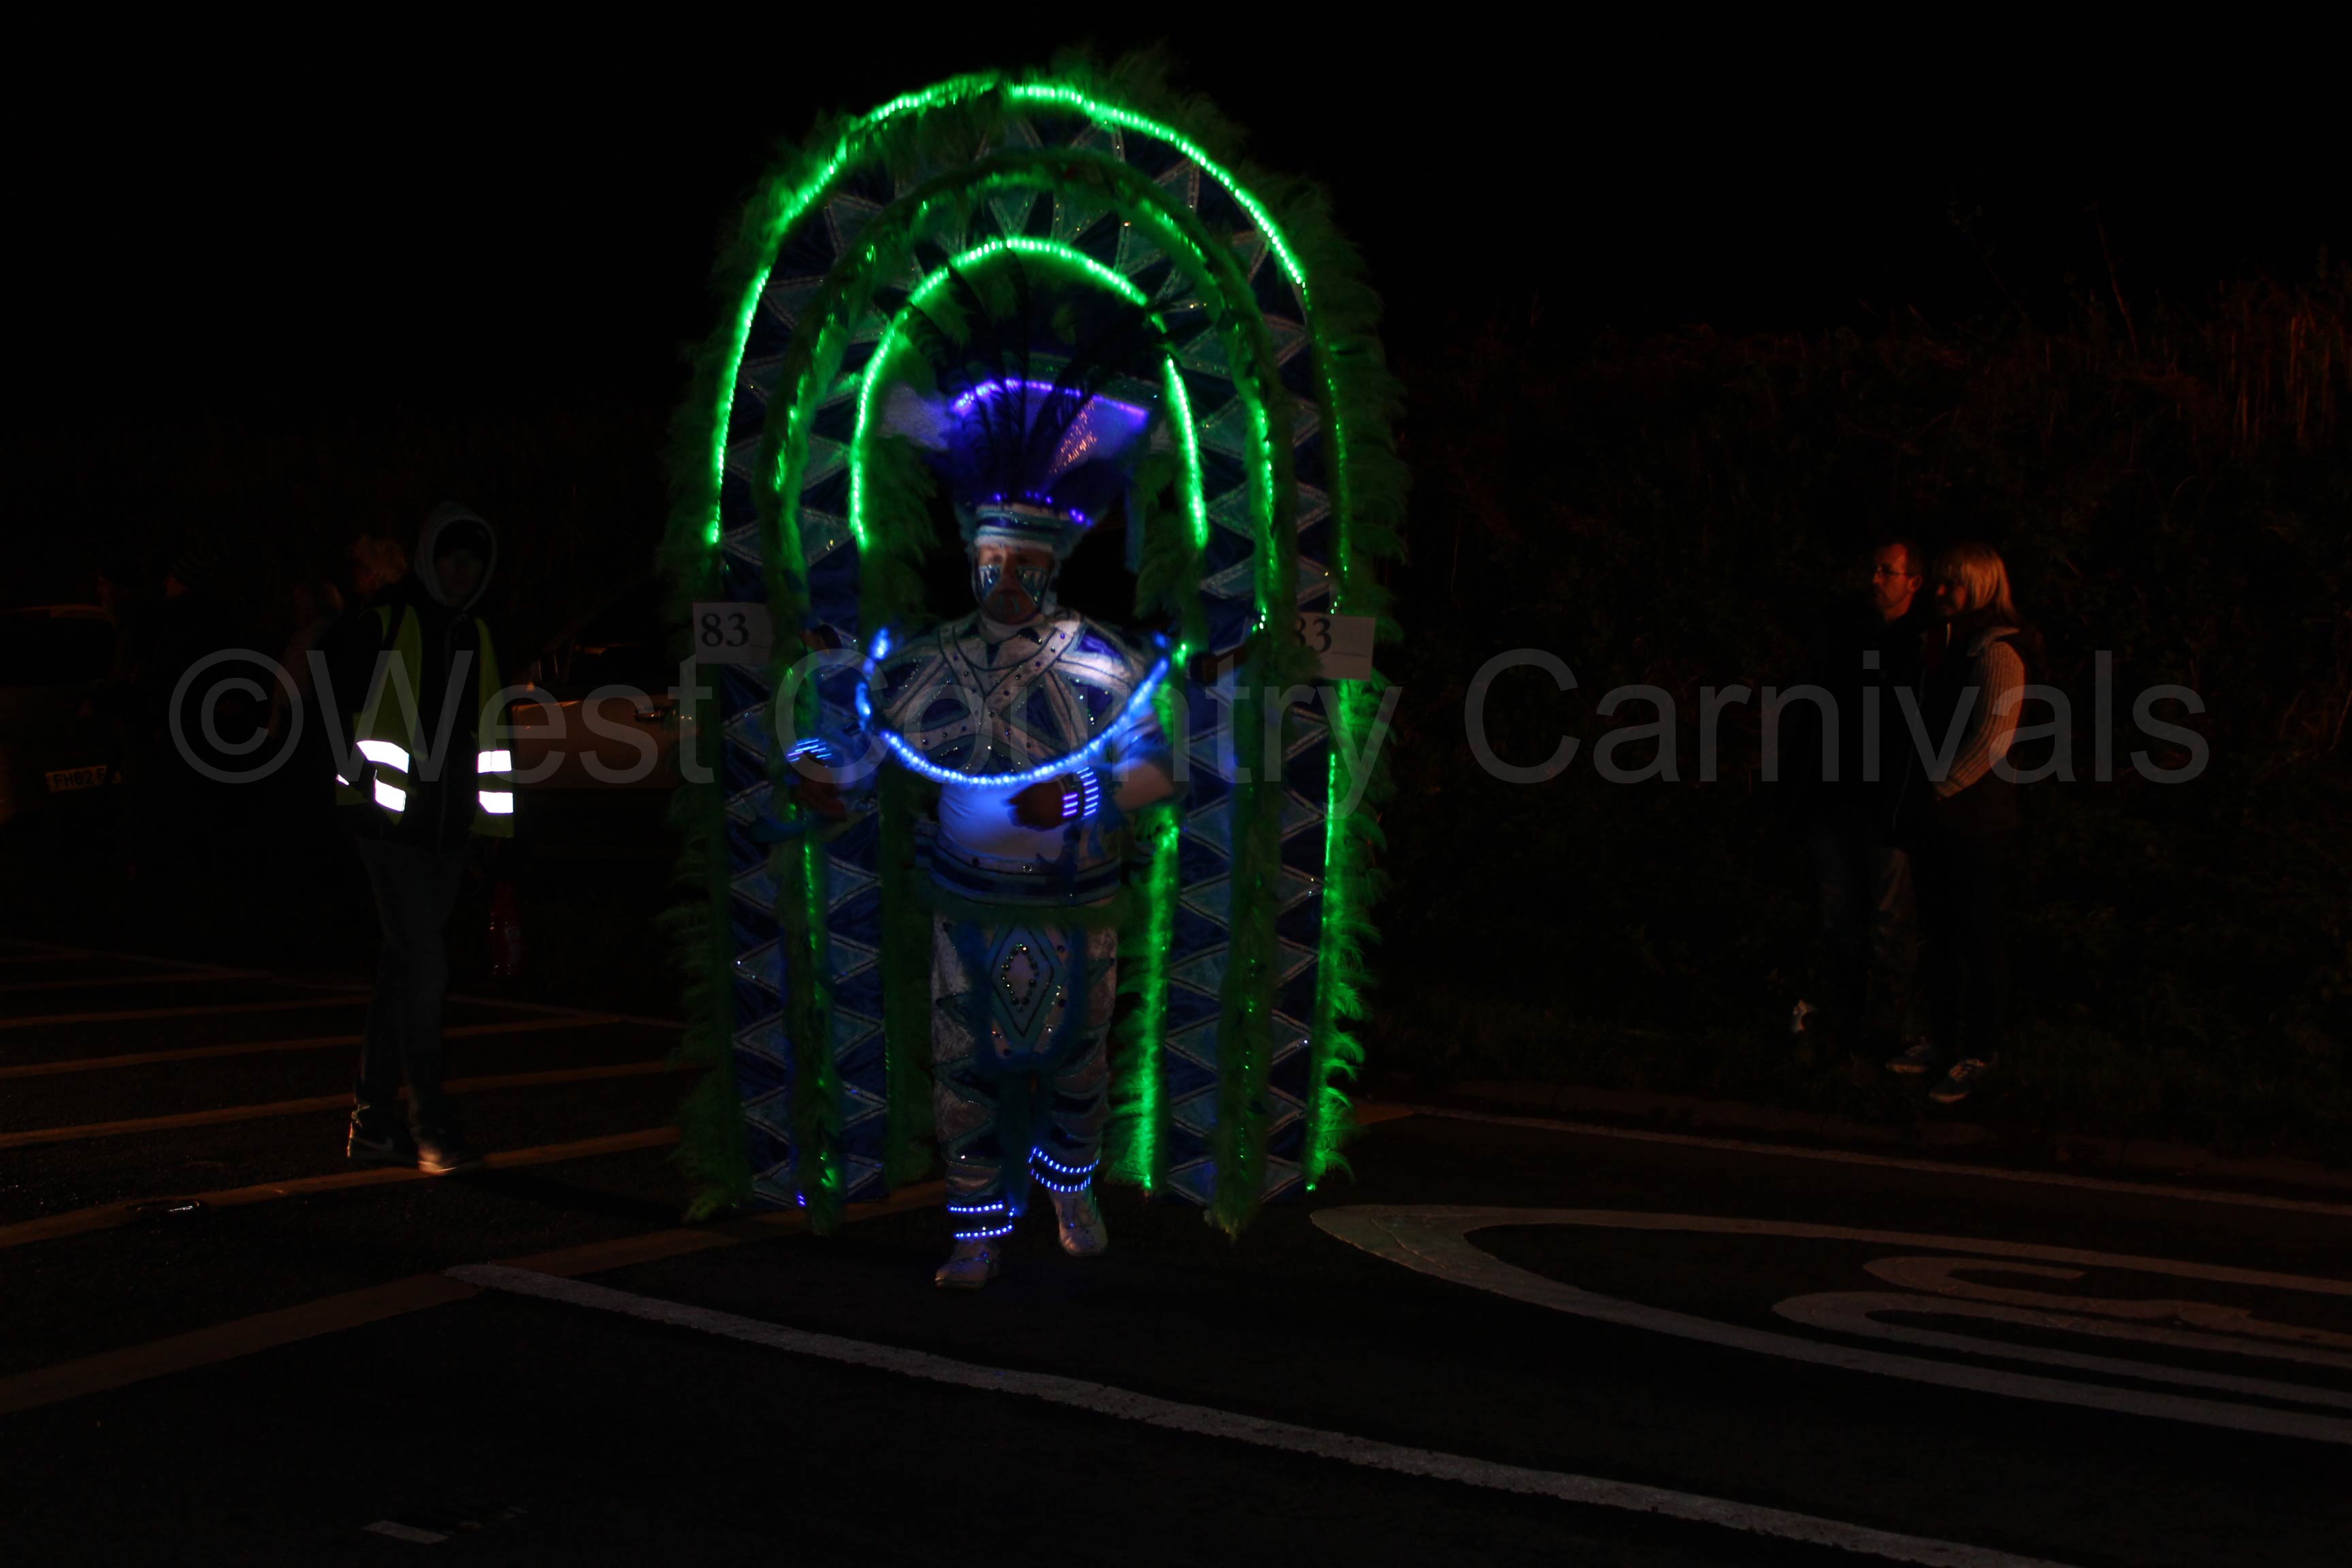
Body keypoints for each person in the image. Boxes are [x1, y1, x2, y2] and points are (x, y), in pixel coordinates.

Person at [794, 282, 1178, 1288]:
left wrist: (1081, 800)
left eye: (1023, 563)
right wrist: (827, 774)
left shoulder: (1107, 664)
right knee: (963, 1075)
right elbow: (869, 753)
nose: (1006, 578)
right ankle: (975, 1231)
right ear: (972, 559)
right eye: (991, 559)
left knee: (1078, 1066)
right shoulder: (923, 662)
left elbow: (1154, 775)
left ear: (1052, 567)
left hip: (1075, 906)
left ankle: (1070, 1189)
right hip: (965, 905)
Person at [326, 504, 516, 1173]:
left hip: (444, 836)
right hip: (391, 832)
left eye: (474, 560)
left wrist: (492, 838)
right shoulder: (386, 621)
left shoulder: (474, 633)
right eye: (453, 558)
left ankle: (373, 1124)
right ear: (430, 559)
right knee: (425, 971)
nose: (464, 571)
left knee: (404, 972)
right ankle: (432, 1129)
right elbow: (336, 711)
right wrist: (363, 797)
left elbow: (490, 737)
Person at [1886, 540, 2034, 1105]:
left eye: (1954, 582)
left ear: (1983, 586)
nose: (1941, 591)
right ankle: (1944, 1039)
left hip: (1976, 823)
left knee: (1978, 937)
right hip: (1940, 819)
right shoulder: (1951, 645)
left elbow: (1992, 739)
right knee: (1941, 937)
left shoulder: (1997, 650)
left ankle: (1981, 1050)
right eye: (1941, 581)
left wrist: (1938, 791)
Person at [1795, 536, 1931, 1054]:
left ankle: (1887, 1028)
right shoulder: (1849, 632)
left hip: (1887, 804)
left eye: (1886, 571)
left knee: (1889, 920)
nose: (1875, 580)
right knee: (1839, 915)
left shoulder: (1922, 645)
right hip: (1837, 795)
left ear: (1913, 582)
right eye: (1875, 569)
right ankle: (1845, 1024)